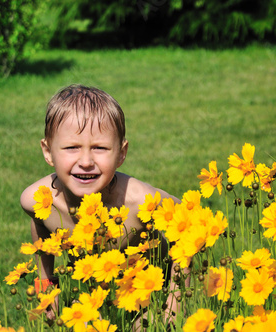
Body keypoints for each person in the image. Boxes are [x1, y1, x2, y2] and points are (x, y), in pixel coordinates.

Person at [20, 84, 186, 327]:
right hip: (101, 292)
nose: (86, 161)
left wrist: (174, 302)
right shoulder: (36, 200)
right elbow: (41, 233)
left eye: (99, 148)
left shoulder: (140, 202)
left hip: (152, 290)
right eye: (71, 147)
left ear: (121, 153)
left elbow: (189, 229)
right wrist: (46, 289)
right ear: (48, 152)